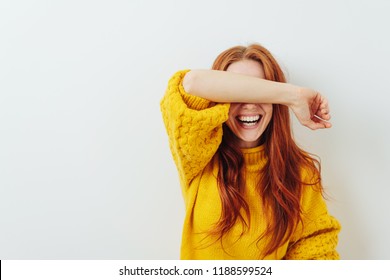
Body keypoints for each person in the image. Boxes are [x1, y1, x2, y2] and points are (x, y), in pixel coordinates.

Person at [160, 43, 341, 260]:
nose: (249, 105)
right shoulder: (200, 156)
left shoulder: (300, 171)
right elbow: (192, 83)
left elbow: (315, 249)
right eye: (237, 92)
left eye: (259, 92)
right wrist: (294, 95)